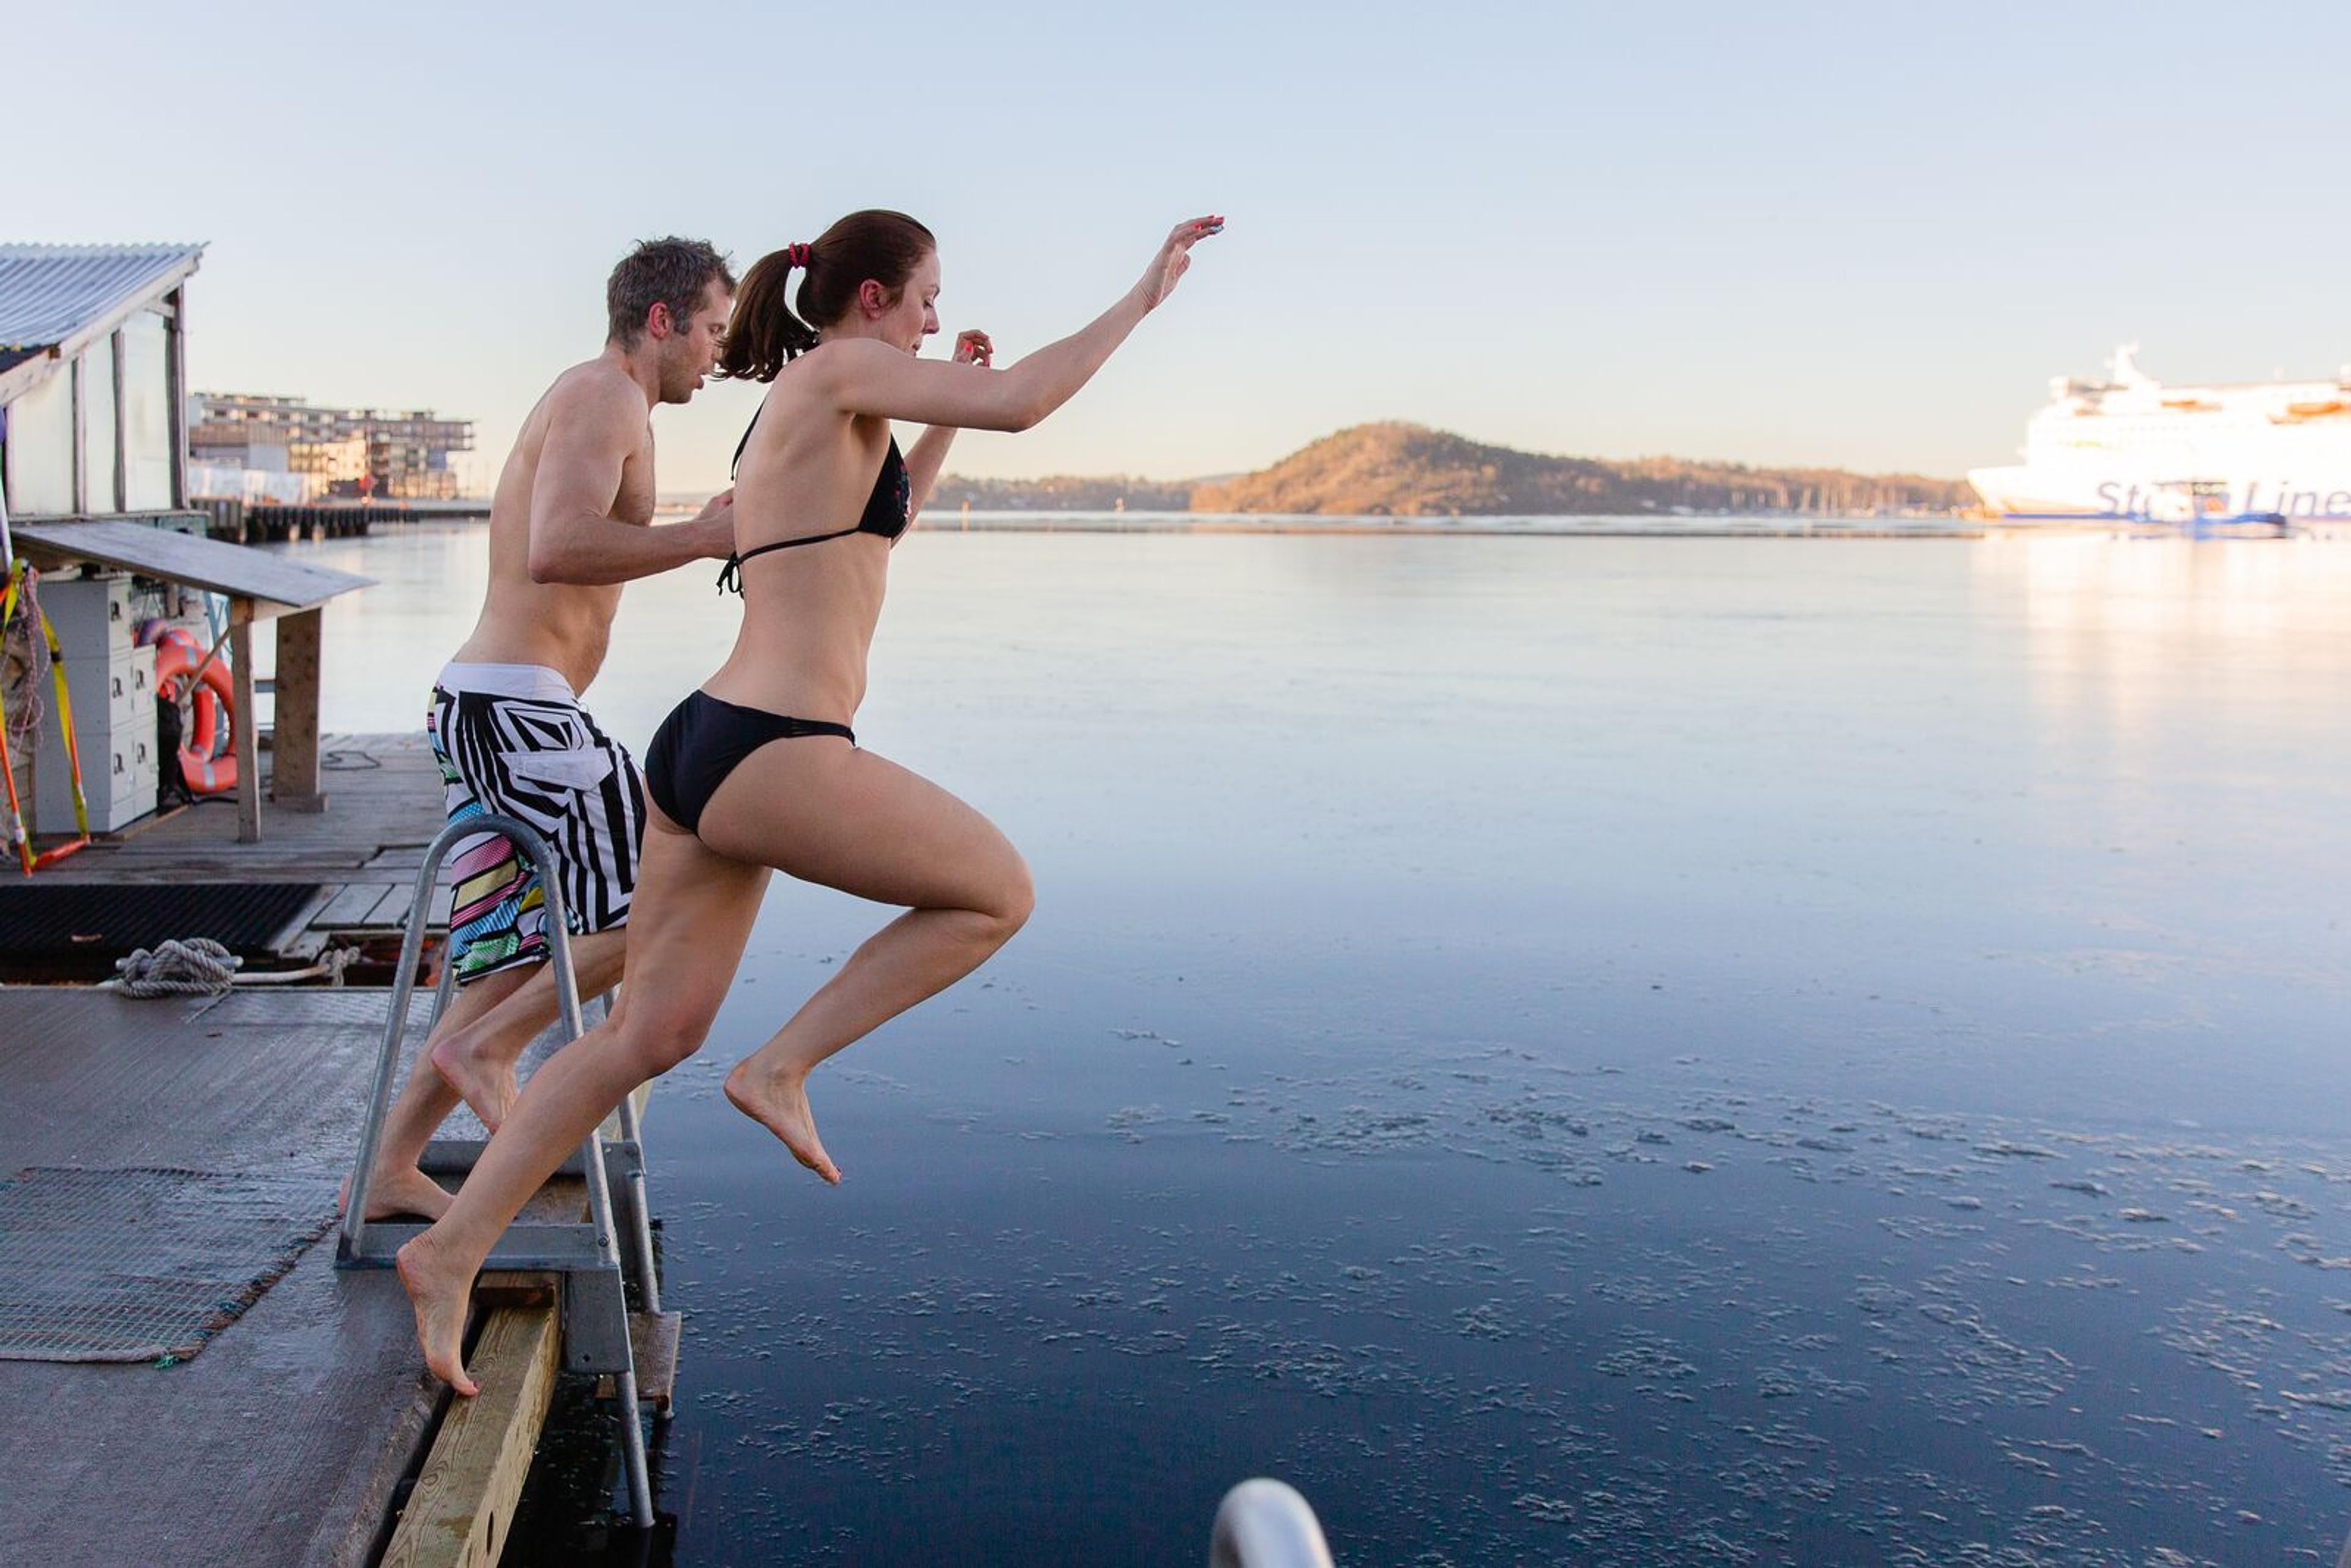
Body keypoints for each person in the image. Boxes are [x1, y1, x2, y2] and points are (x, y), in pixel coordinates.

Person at [396, 208, 1223, 1393]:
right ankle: (782, 1067)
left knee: (650, 1032)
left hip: (712, 743)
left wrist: (937, 419)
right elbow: (1036, 398)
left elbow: (879, 529)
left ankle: (450, 1247)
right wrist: (1143, 296)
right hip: (776, 745)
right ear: (875, 297)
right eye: (929, 295)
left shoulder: (818, 400)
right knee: (996, 892)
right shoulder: (838, 369)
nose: (940, 318)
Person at [347, 237, 740, 1225]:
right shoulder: (607, 395)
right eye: (712, 331)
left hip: (495, 705)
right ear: (662, 322)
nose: (718, 356)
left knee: (512, 957)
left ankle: (389, 1167)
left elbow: (574, 535)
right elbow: (558, 545)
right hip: (517, 708)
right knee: (655, 896)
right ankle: (486, 1052)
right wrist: (703, 538)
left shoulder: (604, 403)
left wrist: (695, 520)